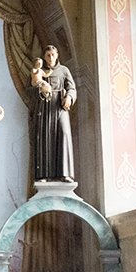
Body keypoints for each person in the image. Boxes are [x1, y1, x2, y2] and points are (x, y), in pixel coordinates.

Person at [30, 45, 75, 183]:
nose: (51, 57)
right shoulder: (39, 71)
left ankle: (65, 173)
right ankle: (44, 175)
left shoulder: (64, 70)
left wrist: (69, 97)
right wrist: (40, 90)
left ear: (57, 55)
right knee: (45, 139)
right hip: (44, 109)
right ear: (44, 57)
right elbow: (29, 90)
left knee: (64, 134)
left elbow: (71, 88)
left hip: (60, 107)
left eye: (53, 54)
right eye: (48, 55)